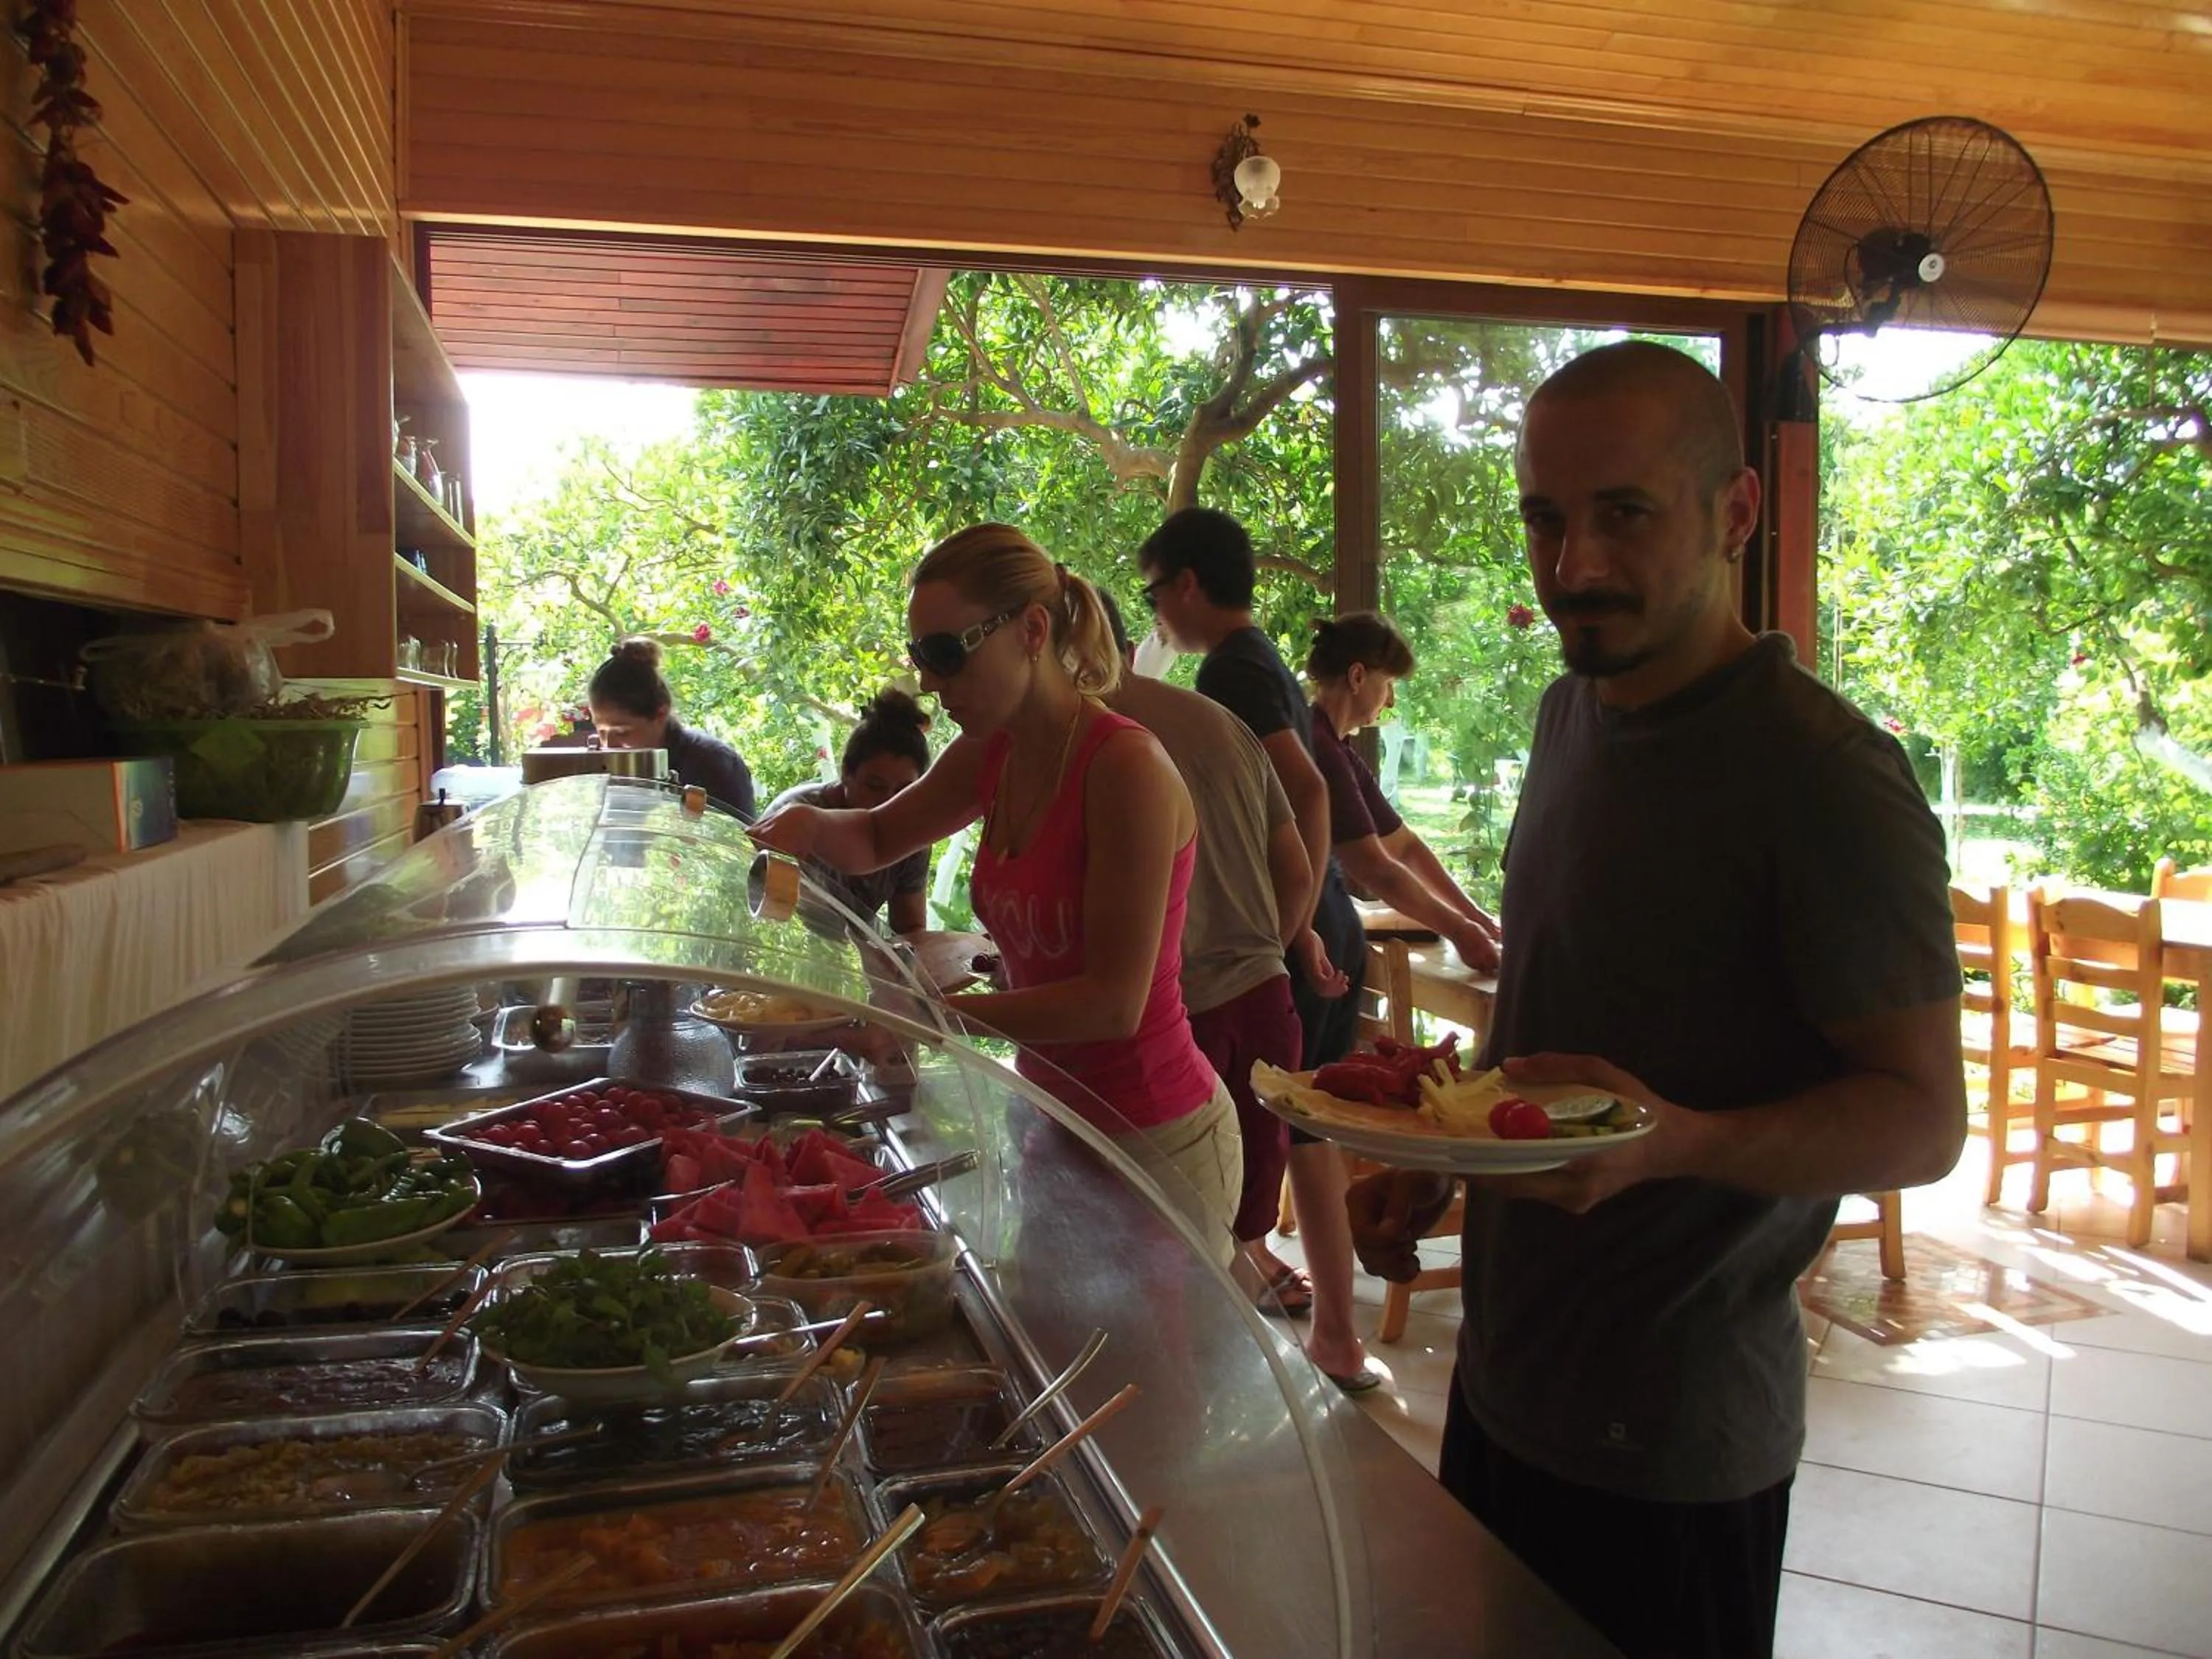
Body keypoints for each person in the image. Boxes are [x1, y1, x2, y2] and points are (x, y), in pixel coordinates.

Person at [1348, 341, 1964, 1659]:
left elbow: (1924, 1122)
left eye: (1623, 512)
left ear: (1736, 512)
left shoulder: (1827, 776)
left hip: (1675, 1437)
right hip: (1508, 1375)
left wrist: (1680, 1143)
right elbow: (1560, 1008)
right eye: (1545, 518)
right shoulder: (1567, 717)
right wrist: (1451, 1146)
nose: (1574, 562)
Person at [751, 524, 1242, 1265]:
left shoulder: (1124, 769)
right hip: (1050, 1115)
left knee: (1142, 1344)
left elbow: (1112, 1004)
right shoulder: (994, 750)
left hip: (1154, 1134)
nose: (928, 683)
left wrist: (928, 1017)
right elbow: (879, 836)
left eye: (946, 654)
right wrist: (810, 824)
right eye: (920, 657)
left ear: (1031, 631)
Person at [1138, 507, 1377, 1389]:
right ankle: (1336, 1337)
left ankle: (1296, 1347)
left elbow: (1306, 793)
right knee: (1303, 1135)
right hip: (1310, 924)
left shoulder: (1231, 670)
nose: (1157, 613)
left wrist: (1283, 930)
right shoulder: (1255, 657)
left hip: (1289, 936)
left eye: (1154, 593)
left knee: (1272, 1136)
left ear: (1187, 584)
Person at [1095, 591, 1319, 1332]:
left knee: (1167, 1260)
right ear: (1130, 647)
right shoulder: (1220, 722)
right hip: (1259, 996)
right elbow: (1294, 866)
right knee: (1238, 1233)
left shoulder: (1091, 738)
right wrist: (1268, 950)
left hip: (1166, 1016)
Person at [1304, 611, 1501, 972]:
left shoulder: (1335, 748)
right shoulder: (1321, 749)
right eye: (1389, 683)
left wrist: (1477, 918)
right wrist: (1461, 932)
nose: (1391, 700)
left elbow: (1406, 847)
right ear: (1357, 677)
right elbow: (1375, 868)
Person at [764, 688, 934, 933]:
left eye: (904, 791)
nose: (889, 802)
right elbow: (761, 910)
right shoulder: (794, 820)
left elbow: (910, 930)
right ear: (846, 773)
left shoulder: (911, 837)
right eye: (875, 786)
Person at [587, 636, 757, 818]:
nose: (609, 745)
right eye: (601, 732)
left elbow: (736, 835)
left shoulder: (715, 765)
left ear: (660, 714)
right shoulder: (613, 770)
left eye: (622, 732)